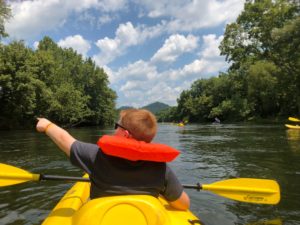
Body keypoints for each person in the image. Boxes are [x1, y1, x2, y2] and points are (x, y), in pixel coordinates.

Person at [36, 109, 190, 210]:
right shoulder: (161, 168)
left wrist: (47, 125)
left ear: (126, 134)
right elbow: (183, 204)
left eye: (117, 126)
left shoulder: (96, 156)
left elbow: (65, 140)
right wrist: (159, 189)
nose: (114, 129)